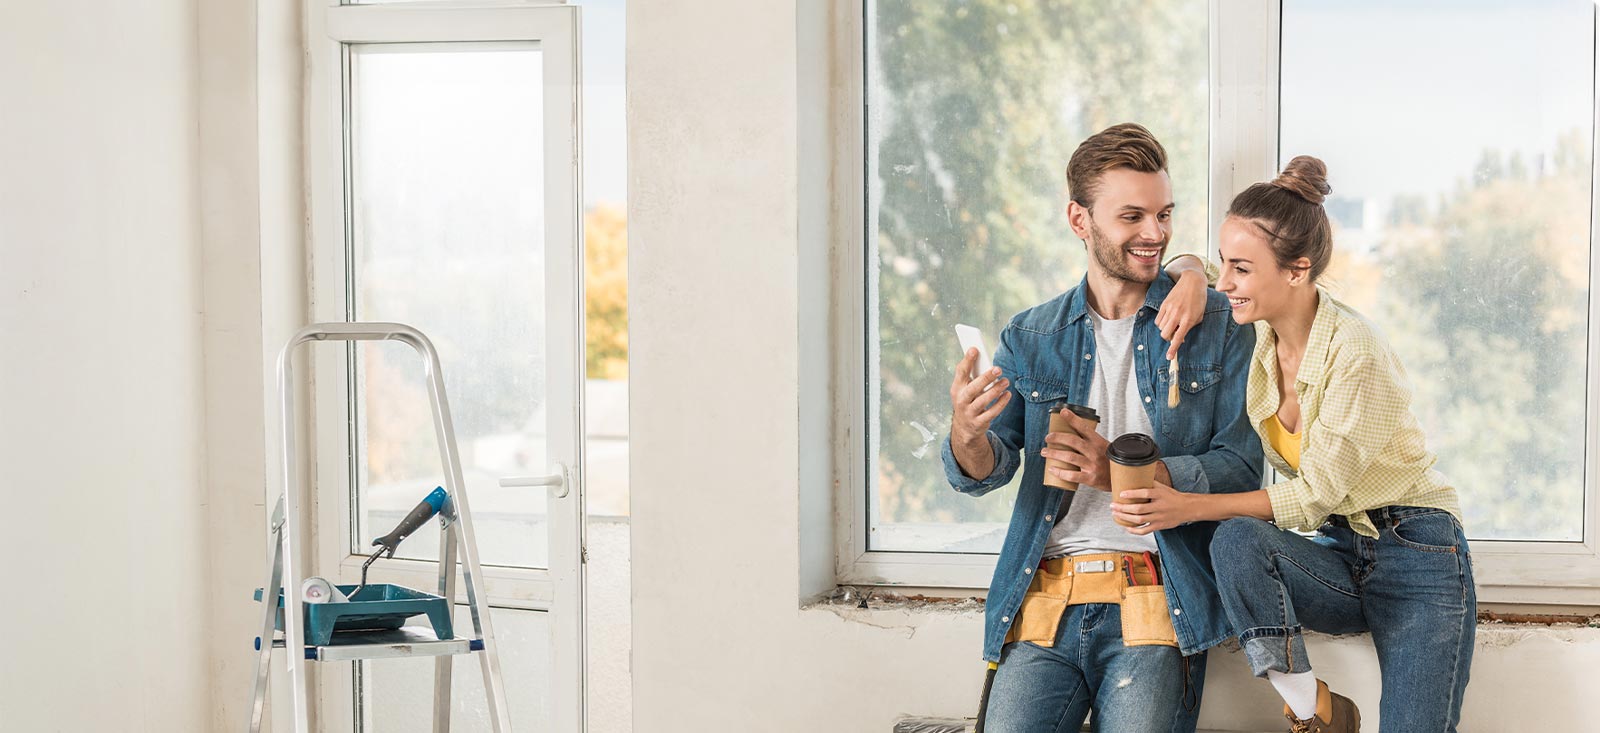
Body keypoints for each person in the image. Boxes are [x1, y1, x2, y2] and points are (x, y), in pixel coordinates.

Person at [1112, 156, 1475, 733]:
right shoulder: (1257, 328)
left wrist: (1188, 506)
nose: (1224, 284)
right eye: (1225, 266)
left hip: (1417, 555)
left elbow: (1312, 496)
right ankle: (1315, 712)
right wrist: (1187, 277)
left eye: (1241, 270)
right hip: (1341, 549)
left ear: (1297, 271)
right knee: (1236, 543)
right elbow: (1198, 265)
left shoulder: (1354, 353)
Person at [945, 122, 1262, 733]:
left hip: (1155, 593)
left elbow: (1243, 466)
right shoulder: (1031, 337)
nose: (1155, 234)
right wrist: (966, 433)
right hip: (1042, 600)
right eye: (1133, 217)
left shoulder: (1218, 323)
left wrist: (1116, 472)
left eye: (1165, 215)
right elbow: (986, 472)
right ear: (1079, 219)